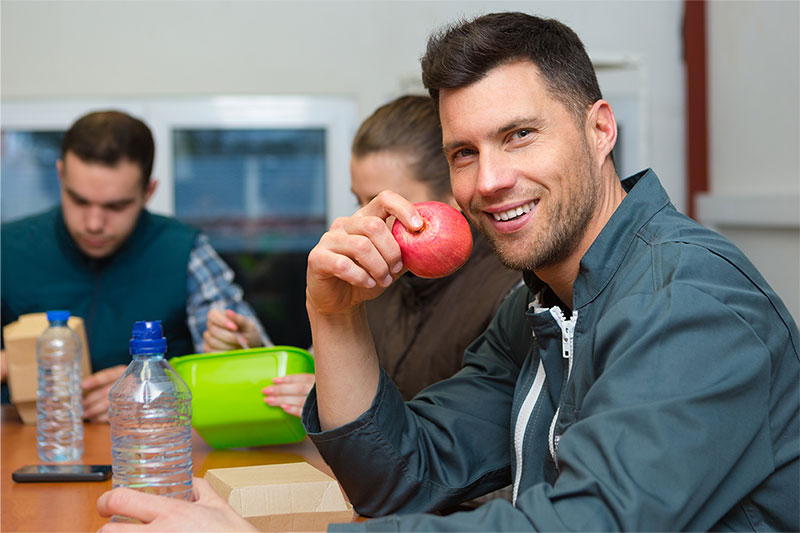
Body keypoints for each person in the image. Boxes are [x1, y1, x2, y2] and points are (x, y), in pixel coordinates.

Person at [96, 12, 799, 532]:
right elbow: (406, 477)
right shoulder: (538, 307)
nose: (490, 179)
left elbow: (592, 524)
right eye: (463, 152)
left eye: (519, 135)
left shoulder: (692, 300)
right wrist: (334, 315)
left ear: (600, 129)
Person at [1, 110, 271, 423]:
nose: (93, 224)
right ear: (60, 176)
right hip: (25, 451)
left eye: (116, 206)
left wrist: (154, 389)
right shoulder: (7, 248)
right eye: (79, 200)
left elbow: (258, 378)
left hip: (154, 453)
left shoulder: (185, 251)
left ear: (148, 192)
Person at [262, 94, 521, 416]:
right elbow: (317, 370)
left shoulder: (512, 295)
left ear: (453, 193)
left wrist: (335, 403)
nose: (368, 218)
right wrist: (257, 352)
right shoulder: (372, 280)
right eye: (361, 201)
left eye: (388, 202)